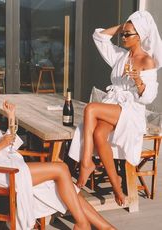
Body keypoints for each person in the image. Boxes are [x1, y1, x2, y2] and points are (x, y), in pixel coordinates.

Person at [0, 69, 115, 230]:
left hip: (11, 164)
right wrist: (0, 145)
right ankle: (82, 224)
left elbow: (9, 140)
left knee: (62, 186)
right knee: (60, 169)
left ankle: (105, 228)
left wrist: (11, 117)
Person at [68, 10, 162, 206]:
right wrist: (124, 25)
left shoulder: (147, 60)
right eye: (123, 34)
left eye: (128, 34)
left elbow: (149, 97)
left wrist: (138, 81)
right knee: (99, 135)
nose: (123, 37)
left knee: (91, 109)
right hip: (114, 105)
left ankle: (86, 163)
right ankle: (117, 187)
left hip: (131, 110)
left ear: (141, 36)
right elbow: (99, 36)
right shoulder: (120, 56)